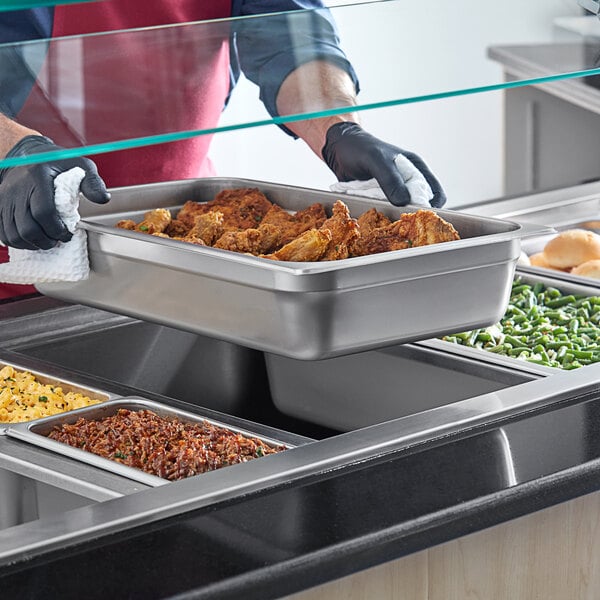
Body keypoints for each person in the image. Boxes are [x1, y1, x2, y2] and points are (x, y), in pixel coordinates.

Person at [0, 1, 446, 298]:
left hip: (177, 259)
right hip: (24, 265)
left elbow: (289, 31)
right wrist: (15, 151)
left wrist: (338, 130)